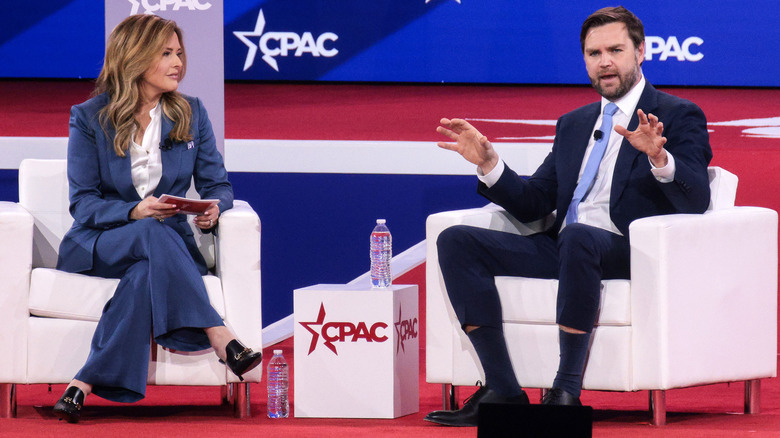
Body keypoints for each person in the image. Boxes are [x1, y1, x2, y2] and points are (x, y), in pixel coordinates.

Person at [424, 6, 712, 427]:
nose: (605, 61)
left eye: (615, 49)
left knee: (578, 236)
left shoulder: (677, 113)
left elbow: (698, 198)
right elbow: (537, 203)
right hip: (566, 247)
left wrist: (659, 156)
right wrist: (490, 164)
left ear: (641, 51)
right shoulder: (573, 123)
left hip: (627, 249)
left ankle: (565, 393)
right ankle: (502, 389)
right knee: (456, 240)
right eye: (594, 53)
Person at [52, 14, 262, 423]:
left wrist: (215, 209)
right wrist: (135, 209)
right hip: (102, 243)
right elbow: (84, 204)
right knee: (150, 227)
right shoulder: (90, 116)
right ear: (136, 57)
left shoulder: (191, 113)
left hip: (162, 250)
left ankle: (82, 384)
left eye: (179, 53)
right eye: (165, 53)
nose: (177, 62)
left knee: (144, 274)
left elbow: (218, 185)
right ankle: (220, 335)